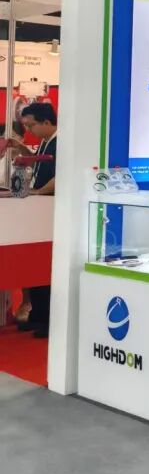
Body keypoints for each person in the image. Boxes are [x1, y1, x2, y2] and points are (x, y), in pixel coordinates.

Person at [5, 102, 59, 337]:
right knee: (36, 266)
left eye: (31, 125)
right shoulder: (47, 141)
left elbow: (60, 175)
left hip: (49, 208)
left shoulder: (61, 142)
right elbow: (40, 161)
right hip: (40, 208)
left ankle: (45, 319)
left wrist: (38, 192)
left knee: (45, 268)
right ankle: (37, 315)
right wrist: (22, 149)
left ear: (46, 122)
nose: (29, 130)